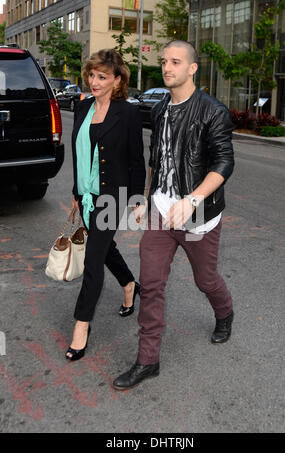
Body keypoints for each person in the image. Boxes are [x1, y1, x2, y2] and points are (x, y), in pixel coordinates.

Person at [113, 40, 235, 390]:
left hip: (197, 216)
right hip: (161, 212)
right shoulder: (161, 108)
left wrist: (193, 199)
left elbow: (224, 162)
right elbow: (159, 158)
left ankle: (224, 313)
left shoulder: (213, 111)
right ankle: (147, 361)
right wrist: (145, 199)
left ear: (192, 68)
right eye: (164, 61)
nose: (167, 67)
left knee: (205, 280)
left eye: (176, 62)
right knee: (150, 285)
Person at [65, 49, 146, 361]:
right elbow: (78, 153)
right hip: (87, 196)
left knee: (93, 261)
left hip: (113, 196)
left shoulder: (127, 114)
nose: (94, 81)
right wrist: (75, 191)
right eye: (91, 75)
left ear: (117, 80)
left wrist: (138, 200)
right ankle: (128, 284)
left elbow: (137, 161)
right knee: (104, 248)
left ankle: (82, 325)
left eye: (102, 76)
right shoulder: (82, 107)